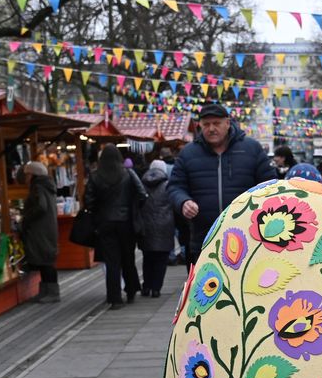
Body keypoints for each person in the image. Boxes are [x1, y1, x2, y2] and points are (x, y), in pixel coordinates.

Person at [168, 103, 275, 263]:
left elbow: (270, 186)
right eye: (206, 124)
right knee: (205, 286)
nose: (211, 129)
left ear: (227, 123)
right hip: (203, 239)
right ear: (200, 126)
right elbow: (175, 186)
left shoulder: (251, 149)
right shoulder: (188, 153)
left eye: (216, 123)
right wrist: (183, 201)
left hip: (248, 238)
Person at [85, 143, 146, 309]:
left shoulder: (95, 176)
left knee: (112, 262)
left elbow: (89, 201)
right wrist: (133, 208)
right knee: (128, 257)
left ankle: (115, 298)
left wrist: (98, 213)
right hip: (126, 222)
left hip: (105, 223)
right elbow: (142, 194)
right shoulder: (128, 173)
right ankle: (132, 290)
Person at [21, 160, 60, 303]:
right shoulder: (46, 186)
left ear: (33, 175)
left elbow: (41, 206)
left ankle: (52, 293)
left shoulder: (38, 187)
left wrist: (27, 216)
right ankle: (46, 291)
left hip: (41, 229)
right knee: (46, 260)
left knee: (45, 261)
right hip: (47, 228)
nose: (25, 178)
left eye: (27, 175)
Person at [140, 159, 175, 297]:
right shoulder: (168, 186)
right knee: (161, 260)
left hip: (146, 226)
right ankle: (156, 288)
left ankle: (146, 286)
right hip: (164, 226)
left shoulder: (142, 185)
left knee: (147, 258)